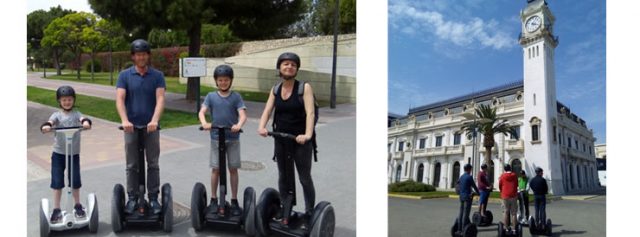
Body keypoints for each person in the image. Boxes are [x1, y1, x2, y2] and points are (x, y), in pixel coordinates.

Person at [258, 52, 316, 225]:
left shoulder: (304, 88)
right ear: (279, 67)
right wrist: (262, 126)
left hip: (300, 140)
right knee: (284, 175)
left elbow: (310, 113)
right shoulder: (275, 89)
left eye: (293, 64)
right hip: (281, 138)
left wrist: (307, 135)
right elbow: (268, 110)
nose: (289, 67)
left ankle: (309, 212)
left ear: (296, 69)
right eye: (286, 64)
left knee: (304, 177)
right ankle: (286, 207)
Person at [116, 39, 166, 215]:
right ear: (133, 56)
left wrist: (154, 120)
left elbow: (160, 99)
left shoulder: (157, 75)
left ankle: (153, 197)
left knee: (153, 163)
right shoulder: (124, 75)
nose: (141, 57)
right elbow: (120, 99)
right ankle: (132, 197)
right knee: (131, 165)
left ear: (148, 56)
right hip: (131, 127)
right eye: (138, 54)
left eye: (144, 54)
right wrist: (124, 120)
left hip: (151, 128)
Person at [198, 64, 247, 216]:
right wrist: (204, 123)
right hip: (216, 138)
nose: (223, 83)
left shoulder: (236, 97)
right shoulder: (211, 96)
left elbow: (243, 114)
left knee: (233, 169)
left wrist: (238, 125)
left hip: (232, 138)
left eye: (226, 80)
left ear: (230, 81)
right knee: (216, 169)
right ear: (216, 81)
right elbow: (202, 111)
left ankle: (233, 199)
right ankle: (213, 199)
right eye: (220, 80)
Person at [40, 86, 92, 222]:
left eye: (69, 99)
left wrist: (86, 122)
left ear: (73, 100)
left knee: (75, 180)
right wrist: (47, 126)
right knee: (57, 181)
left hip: (73, 154)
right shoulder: (56, 115)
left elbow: (83, 119)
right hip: (58, 154)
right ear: (59, 101)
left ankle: (77, 205)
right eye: (64, 100)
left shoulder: (76, 114)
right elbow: (51, 122)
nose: (67, 102)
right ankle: (57, 209)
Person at [457, 164, 479, 233]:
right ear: (469, 169)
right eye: (471, 169)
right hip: (467, 197)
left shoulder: (461, 177)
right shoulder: (469, 177)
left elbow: (458, 184)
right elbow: (474, 186)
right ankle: (464, 230)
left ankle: (459, 229)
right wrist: (478, 193)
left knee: (461, 213)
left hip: (461, 196)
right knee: (465, 214)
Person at [499, 164, 518, 233]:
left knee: (506, 212)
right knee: (514, 213)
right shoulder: (514, 175)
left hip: (505, 195)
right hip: (513, 195)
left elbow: (500, 185)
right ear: (510, 168)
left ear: (505, 169)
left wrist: (502, 191)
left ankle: (506, 228)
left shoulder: (502, 176)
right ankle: (514, 229)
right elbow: (516, 184)